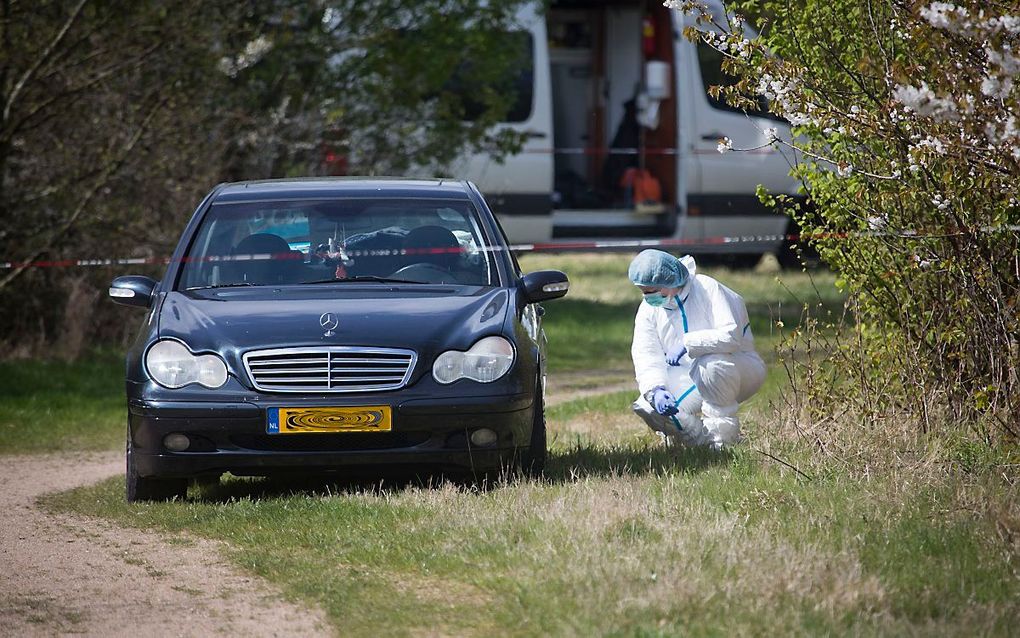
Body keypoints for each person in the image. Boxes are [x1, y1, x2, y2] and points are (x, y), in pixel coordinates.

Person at [628, 249, 766, 449]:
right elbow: (646, 355)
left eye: (653, 291)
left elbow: (731, 336)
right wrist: (655, 389)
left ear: (670, 281)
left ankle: (723, 442)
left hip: (737, 366)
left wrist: (688, 343)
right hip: (688, 375)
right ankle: (700, 443)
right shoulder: (648, 310)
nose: (649, 297)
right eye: (644, 292)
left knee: (711, 366)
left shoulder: (706, 288)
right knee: (647, 407)